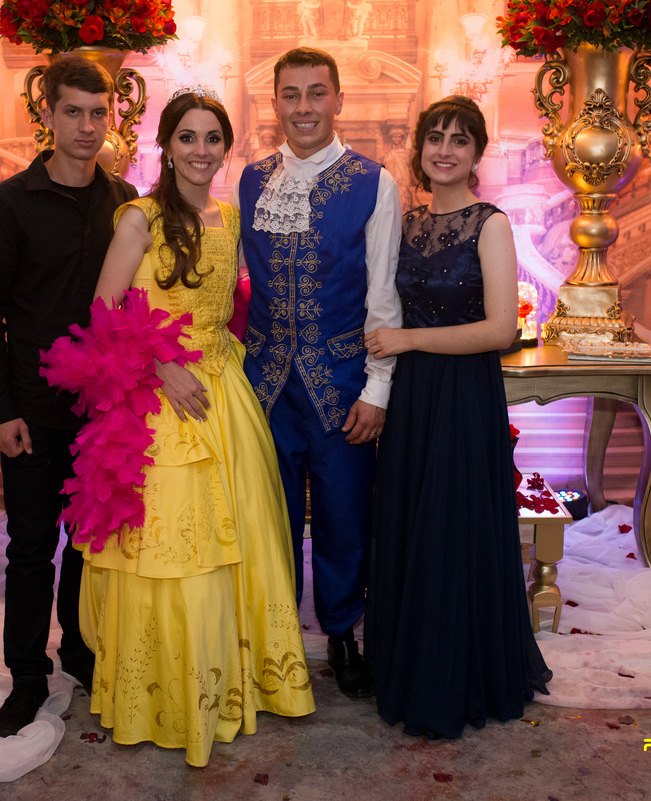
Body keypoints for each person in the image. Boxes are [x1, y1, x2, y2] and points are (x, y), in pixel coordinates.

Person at [58, 88, 314, 767]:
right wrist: (162, 366)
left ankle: (234, 682)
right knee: (174, 552)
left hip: (225, 391)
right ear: (167, 147)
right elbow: (103, 309)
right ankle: (163, 695)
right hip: (162, 398)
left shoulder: (231, 219)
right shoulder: (139, 218)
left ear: (225, 148)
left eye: (212, 138)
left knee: (242, 539)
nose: (201, 150)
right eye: (188, 137)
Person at [363, 95, 552, 738]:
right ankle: (409, 666)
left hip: (463, 395)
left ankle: (455, 678)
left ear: (476, 154)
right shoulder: (408, 224)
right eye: (435, 138)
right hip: (411, 398)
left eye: (459, 140)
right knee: (411, 525)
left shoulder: (489, 224)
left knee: (451, 528)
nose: (444, 150)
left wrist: (408, 340)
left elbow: (500, 330)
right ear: (420, 149)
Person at [0, 57, 138, 738]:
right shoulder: (9, 203)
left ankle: (82, 651)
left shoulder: (124, 201)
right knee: (32, 546)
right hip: (32, 408)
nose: (88, 126)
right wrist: (0, 407)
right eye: (73, 112)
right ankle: (27, 675)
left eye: (99, 113)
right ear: (47, 115)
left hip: (104, 409)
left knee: (92, 543)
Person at [233, 47, 402, 698]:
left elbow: (383, 299)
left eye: (316, 93)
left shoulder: (374, 183)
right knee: (266, 515)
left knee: (343, 515)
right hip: (263, 384)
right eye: (291, 94)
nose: (303, 107)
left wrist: (378, 390)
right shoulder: (250, 181)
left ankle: (341, 632)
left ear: (338, 100)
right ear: (274, 102)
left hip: (342, 383)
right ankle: (274, 635)